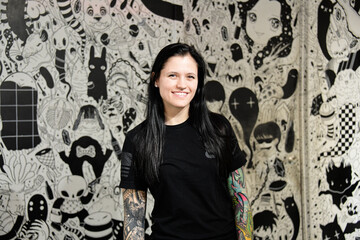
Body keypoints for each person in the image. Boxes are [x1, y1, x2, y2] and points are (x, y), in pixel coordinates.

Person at [120, 43, 253, 240]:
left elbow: (240, 199)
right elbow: (134, 221)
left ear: (198, 83)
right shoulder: (138, 140)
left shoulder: (219, 128)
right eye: (173, 75)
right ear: (156, 79)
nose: (182, 84)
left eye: (190, 76)